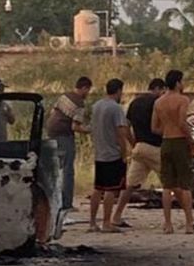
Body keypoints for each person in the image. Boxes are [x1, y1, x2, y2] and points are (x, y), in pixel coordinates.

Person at [111, 78, 167, 228]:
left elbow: (126, 126)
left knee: (130, 184)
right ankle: (179, 219)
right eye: (163, 90)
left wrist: (133, 142)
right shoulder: (158, 103)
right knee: (171, 182)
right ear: (157, 88)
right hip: (154, 147)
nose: (164, 94)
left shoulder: (135, 103)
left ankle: (116, 216)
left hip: (139, 148)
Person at [152, 69, 194, 234]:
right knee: (185, 184)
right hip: (179, 141)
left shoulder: (159, 102)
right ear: (178, 83)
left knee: (167, 185)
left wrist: (167, 130)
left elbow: (154, 127)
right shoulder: (182, 100)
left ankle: (168, 224)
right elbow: (181, 122)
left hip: (166, 141)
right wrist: (191, 141)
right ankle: (188, 223)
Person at [89, 78, 132, 233]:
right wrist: (124, 152)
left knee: (97, 188)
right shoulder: (116, 108)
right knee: (110, 189)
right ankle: (107, 222)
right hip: (112, 153)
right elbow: (121, 132)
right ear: (119, 90)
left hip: (100, 151)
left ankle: (92, 222)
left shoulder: (96, 106)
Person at [46, 76, 93, 212]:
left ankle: (55, 201)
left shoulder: (64, 96)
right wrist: (90, 130)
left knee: (56, 169)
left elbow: (53, 112)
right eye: (88, 90)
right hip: (64, 135)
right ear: (84, 88)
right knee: (68, 170)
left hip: (52, 132)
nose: (88, 93)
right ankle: (67, 203)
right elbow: (75, 127)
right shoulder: (79, 103)